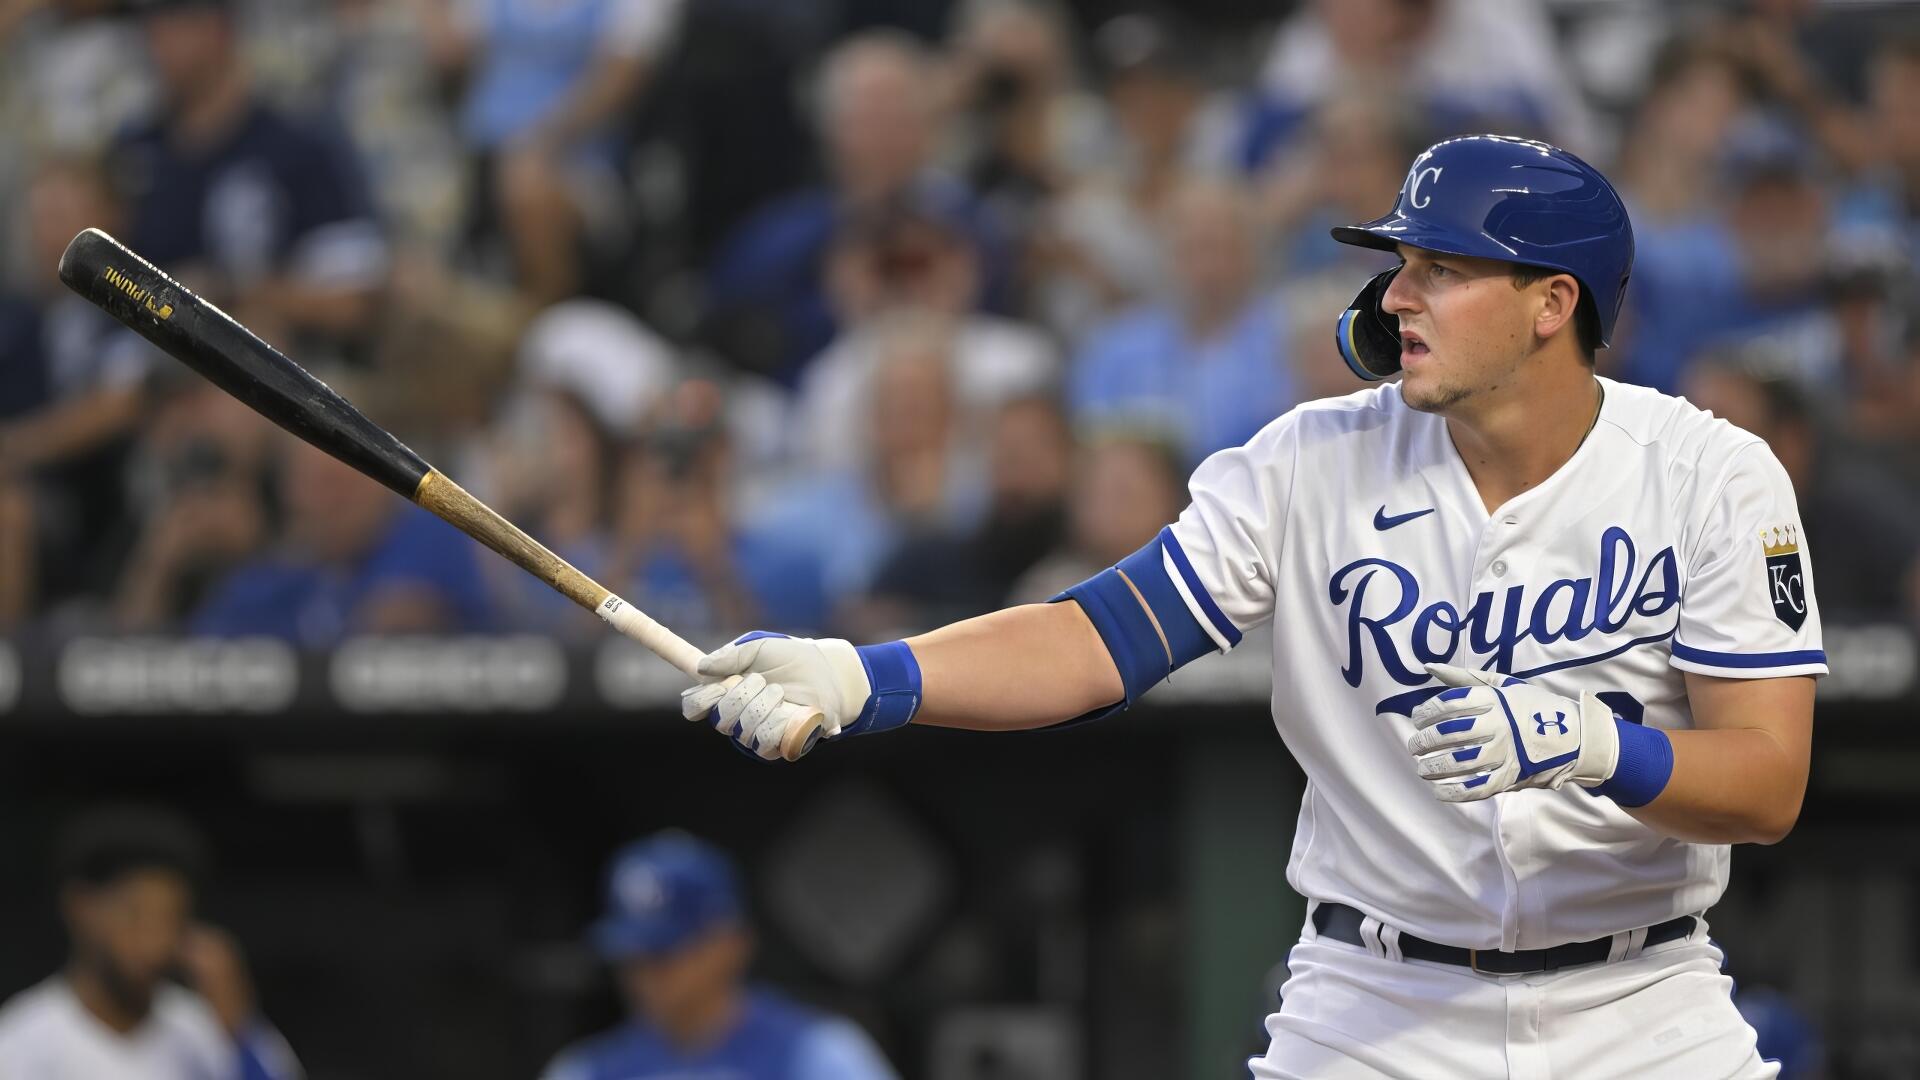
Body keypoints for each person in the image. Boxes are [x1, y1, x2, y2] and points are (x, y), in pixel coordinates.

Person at [682, 135, 1820, 1077]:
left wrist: (1591, 743)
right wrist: (865, 676)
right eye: (1399, 264)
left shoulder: (1710, 475)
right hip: (1375, 1006)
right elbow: (1100, 638)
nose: (1397, 296)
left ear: (1550, 303)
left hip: (1642, 1003)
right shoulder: (1309, 461)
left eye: (1441, 268)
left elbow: (1766, 785)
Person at [542, 833, 897, 1080]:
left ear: (731, 945)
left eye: (665, 952)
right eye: (633, 955)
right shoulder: (589, 1070)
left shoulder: (814, 1054)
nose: (645, 974)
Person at [0, 807, 300, 1079]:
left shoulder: (206, 1027)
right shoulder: (20, 1041)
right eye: (134, 914)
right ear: (80, 907)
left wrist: (239, 1030)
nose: (153, 938)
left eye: (171, 918)